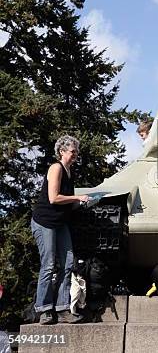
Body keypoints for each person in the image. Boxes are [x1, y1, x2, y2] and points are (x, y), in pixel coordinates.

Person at [31, 135, 89, 325]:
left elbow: (67, 204)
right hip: (45, 222)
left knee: (68, 263)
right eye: (72, 151)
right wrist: (77, 198)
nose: (75, 155)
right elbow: (54, 198)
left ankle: (63, 307)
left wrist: (85, 202)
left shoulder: (70, 172)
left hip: (60, 223)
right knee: (48, 265)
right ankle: (44, 309)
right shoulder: (56, 168)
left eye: (76, 152)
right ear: (62, 151)